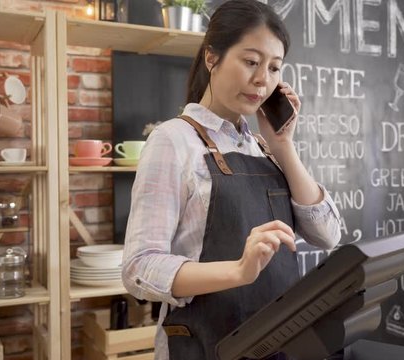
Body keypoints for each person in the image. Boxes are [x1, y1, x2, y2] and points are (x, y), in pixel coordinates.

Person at [122, 0, 341, 358]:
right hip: (205, 346)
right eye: (251, 62)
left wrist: (283, 145)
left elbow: (327, 234)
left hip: (278, 345)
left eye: (274, 68)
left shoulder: (264, 147)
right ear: (212, 58)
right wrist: (239, 271)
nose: (262, 80)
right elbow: (139, 267)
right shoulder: (173, 141)